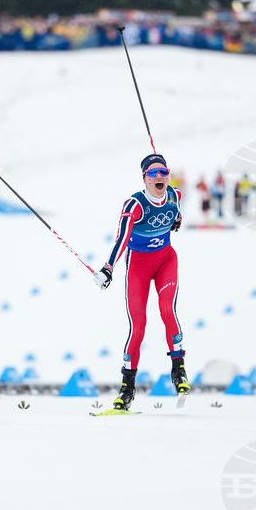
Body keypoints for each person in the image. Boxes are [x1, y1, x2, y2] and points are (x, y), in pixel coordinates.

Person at [93, 154, 188, 411]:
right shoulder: (135, 204)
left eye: (163, 172)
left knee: (167, 310)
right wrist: (108, 269)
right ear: (144, 178)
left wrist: (177, 220)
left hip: (166, 260)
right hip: (138, 268)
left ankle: (178, 370)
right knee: (138, 327)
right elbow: (121, 238)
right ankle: (127, 389)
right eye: (153, 174)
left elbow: (176, 212)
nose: (159, 177)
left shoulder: (175, 196)